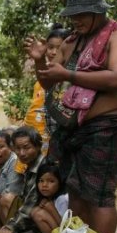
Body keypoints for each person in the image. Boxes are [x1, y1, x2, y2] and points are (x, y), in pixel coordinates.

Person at [25, 0, 117, 233]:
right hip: (73, 127)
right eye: (72, 16)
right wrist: (40, 60)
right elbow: (48, 81)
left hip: (105, 127)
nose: (75, 21)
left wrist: (67, 74)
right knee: (75, 190)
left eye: (82, 15)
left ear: (99, 12)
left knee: (100, 196)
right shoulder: (71, 42)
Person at [0, 126, 45, 233]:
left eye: (26, 148)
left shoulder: (42, 169)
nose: (21, 153)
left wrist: (9, 227)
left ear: (38, 146)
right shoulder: (30, 166)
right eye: (17, 148)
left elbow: (30, 204)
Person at [23, 24, 70, 154]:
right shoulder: (44, 76)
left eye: (59, 48)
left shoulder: (74, 75)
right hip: (45, 139)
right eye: (50, 47)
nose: (54, 52)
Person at [30, 161, 69, 233]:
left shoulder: (62, 199)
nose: (44, 185)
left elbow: (65, 227)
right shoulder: (47, 198)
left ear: (60, 183)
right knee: (35, 211)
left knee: (38, 214)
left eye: (51, 181)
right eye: (41, 181)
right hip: (58, 232)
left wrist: (51, 208)